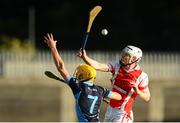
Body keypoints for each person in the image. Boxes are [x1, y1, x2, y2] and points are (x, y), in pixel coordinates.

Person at [43, 33, 122, 122]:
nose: (76, 75)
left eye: (79, 74)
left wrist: (53, 48)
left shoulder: (78, 87)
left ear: (84, 75)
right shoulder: (100, 90)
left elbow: (61, 67)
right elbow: (119, 97)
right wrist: (102, 97)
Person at [78, 45, 151, 123]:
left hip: (123, 113)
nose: (123, 56)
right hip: (110, 109)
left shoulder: (142, 76)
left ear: (135, 59)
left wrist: (138, 91)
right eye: (123, 53)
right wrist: (84, 57)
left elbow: (147, 97)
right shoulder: (117, 66)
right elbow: (98, 66)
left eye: (126, 55)